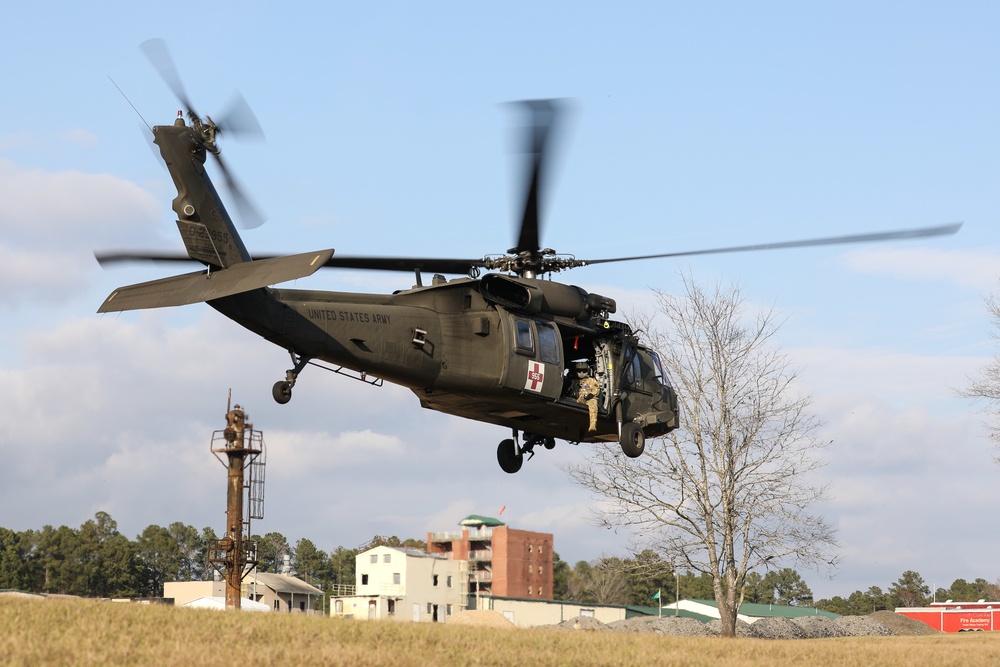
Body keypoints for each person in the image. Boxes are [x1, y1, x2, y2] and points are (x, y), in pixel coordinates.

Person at [575, 361, 599, 432]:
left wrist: (591, 394)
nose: (581, 373)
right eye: (579, 371)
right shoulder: (575, 381)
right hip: (579, 398)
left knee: (593, 405)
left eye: (584, 371)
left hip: (589, 398)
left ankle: (592, 425)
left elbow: (596, 389)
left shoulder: (591, 381)